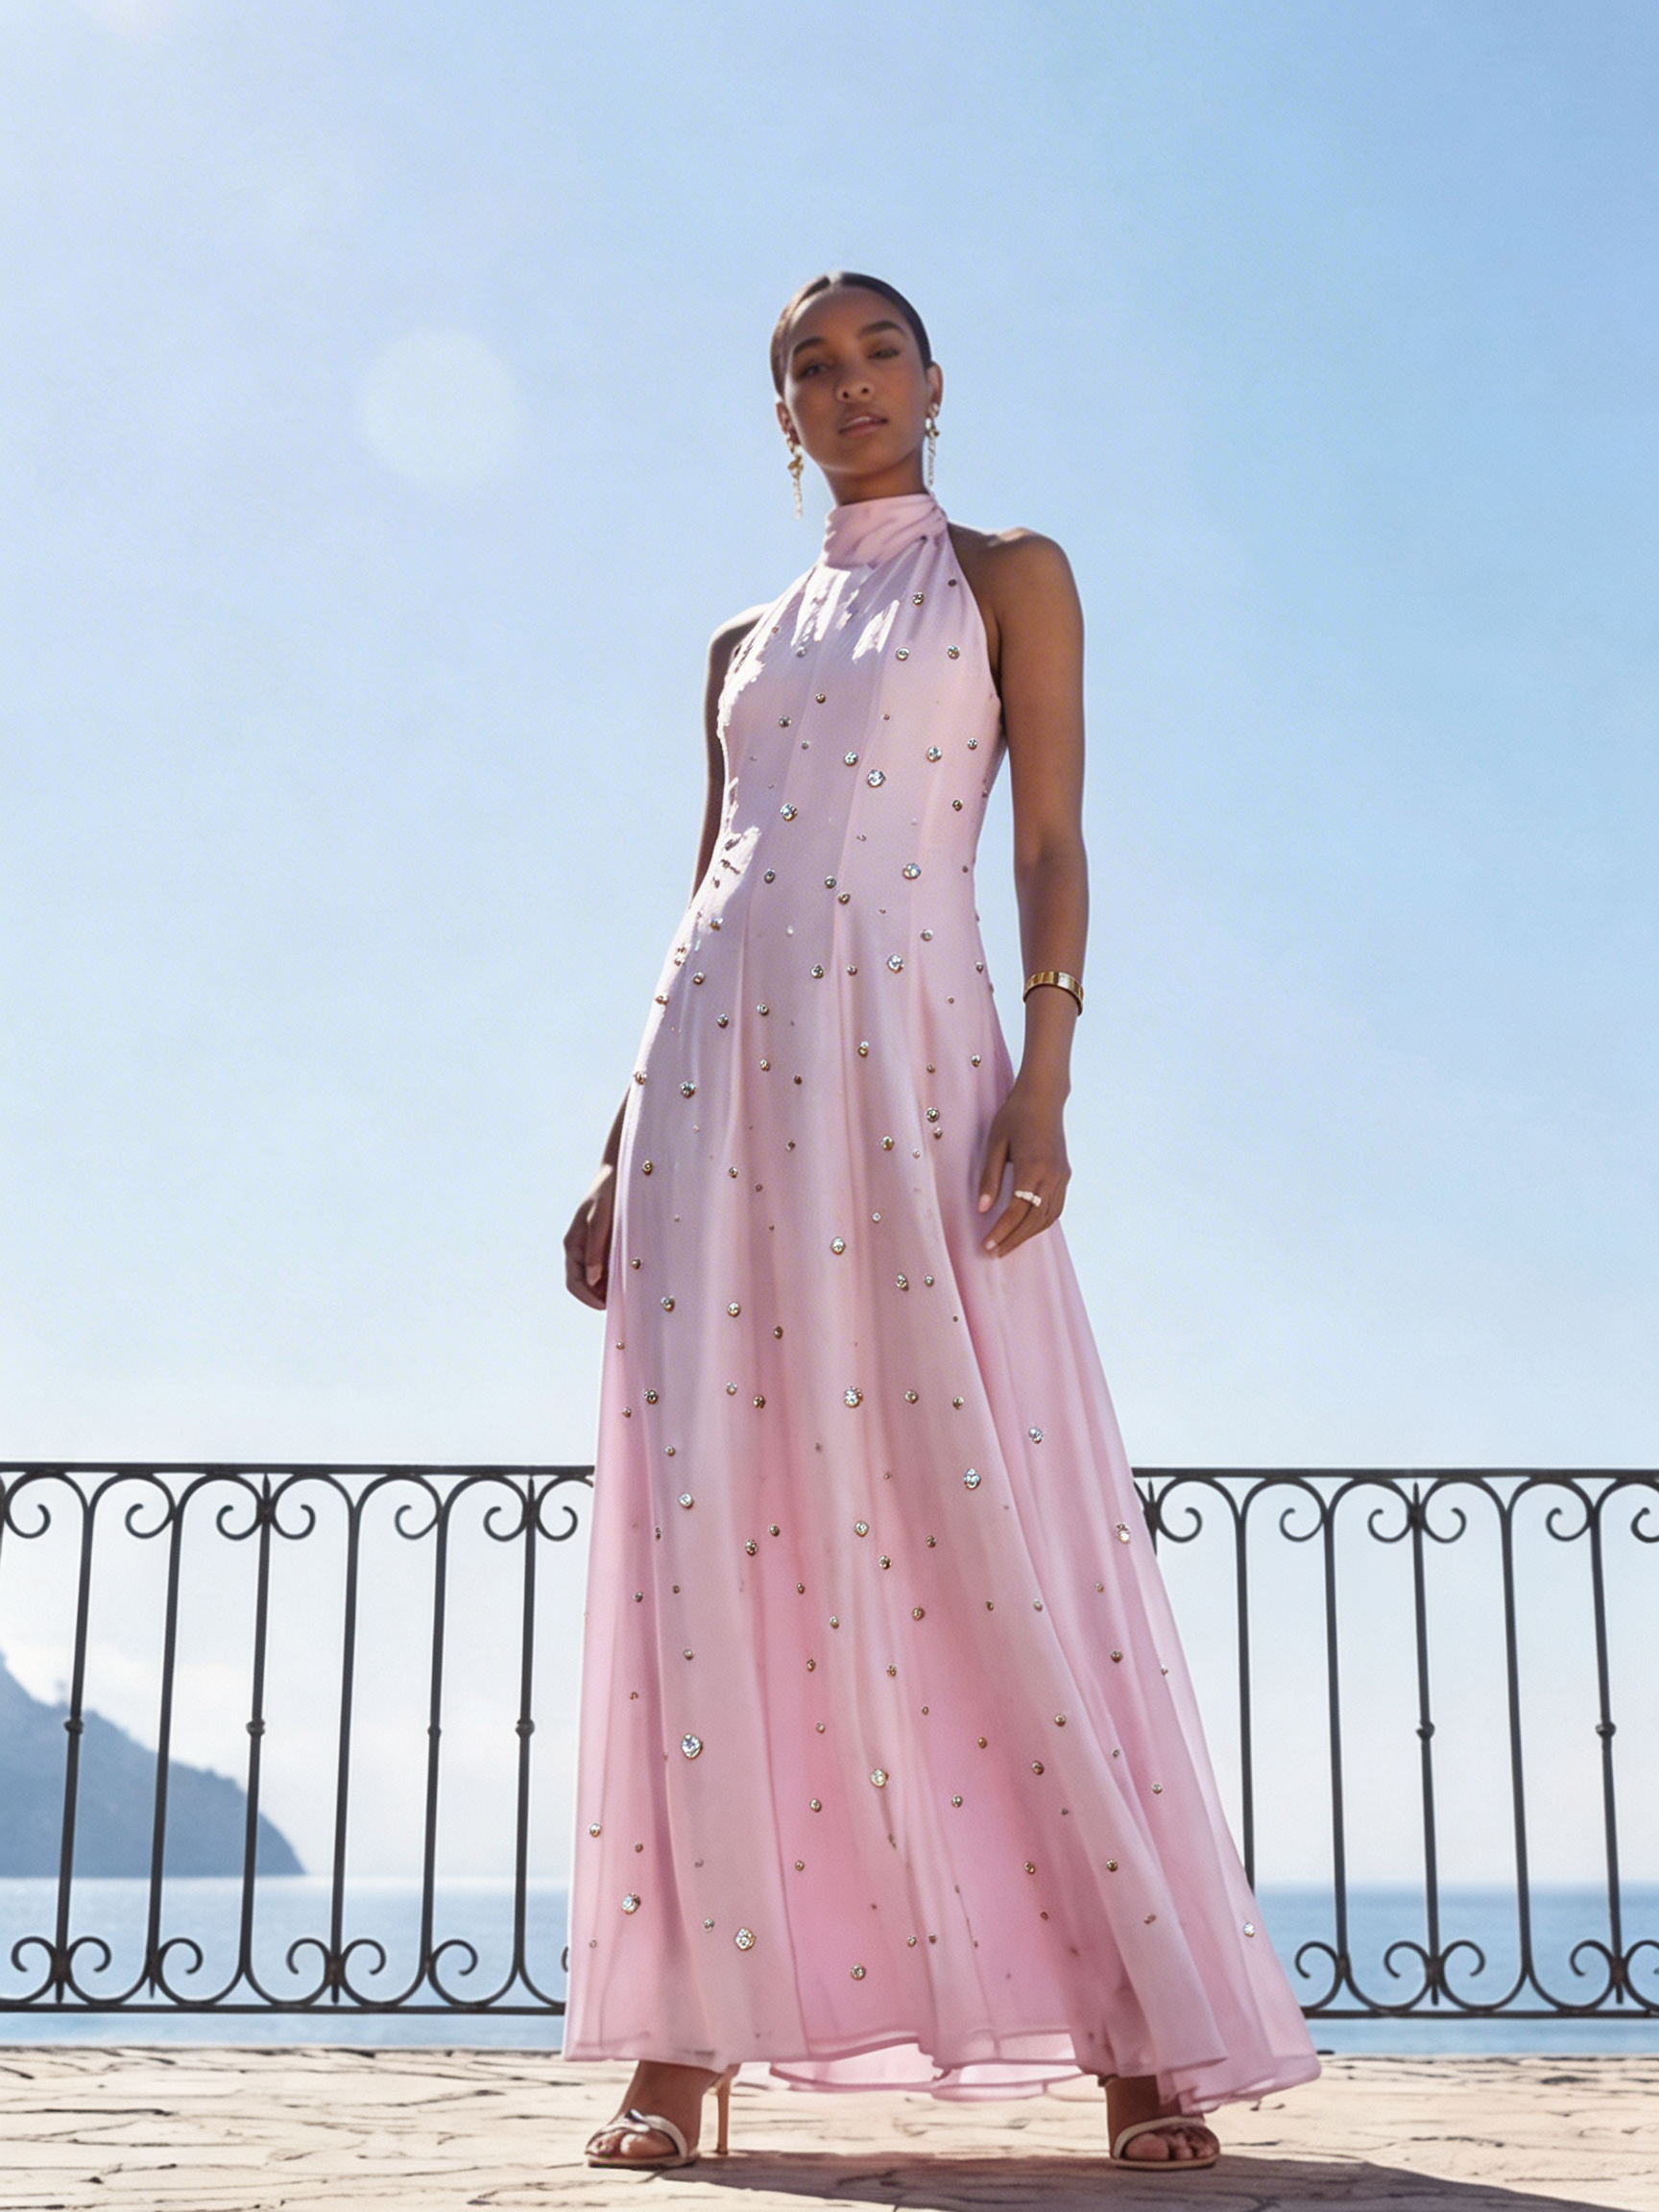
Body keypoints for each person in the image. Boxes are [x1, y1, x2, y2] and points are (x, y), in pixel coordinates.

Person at [561, 271, 1319, 2172]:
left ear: (934, 379)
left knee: (991, 1505)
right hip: (716, 1080)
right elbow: (712, 877)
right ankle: (686, 2038)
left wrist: (1048, 1078)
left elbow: (1051, 839)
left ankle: (1143, 2030)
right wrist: (615, 1139)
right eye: (810, 368)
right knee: (710, 1526)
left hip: (915, 1055)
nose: (850, 384)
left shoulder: (1010, 578)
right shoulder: (740, 640)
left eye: (878, 351)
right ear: (781, 417)